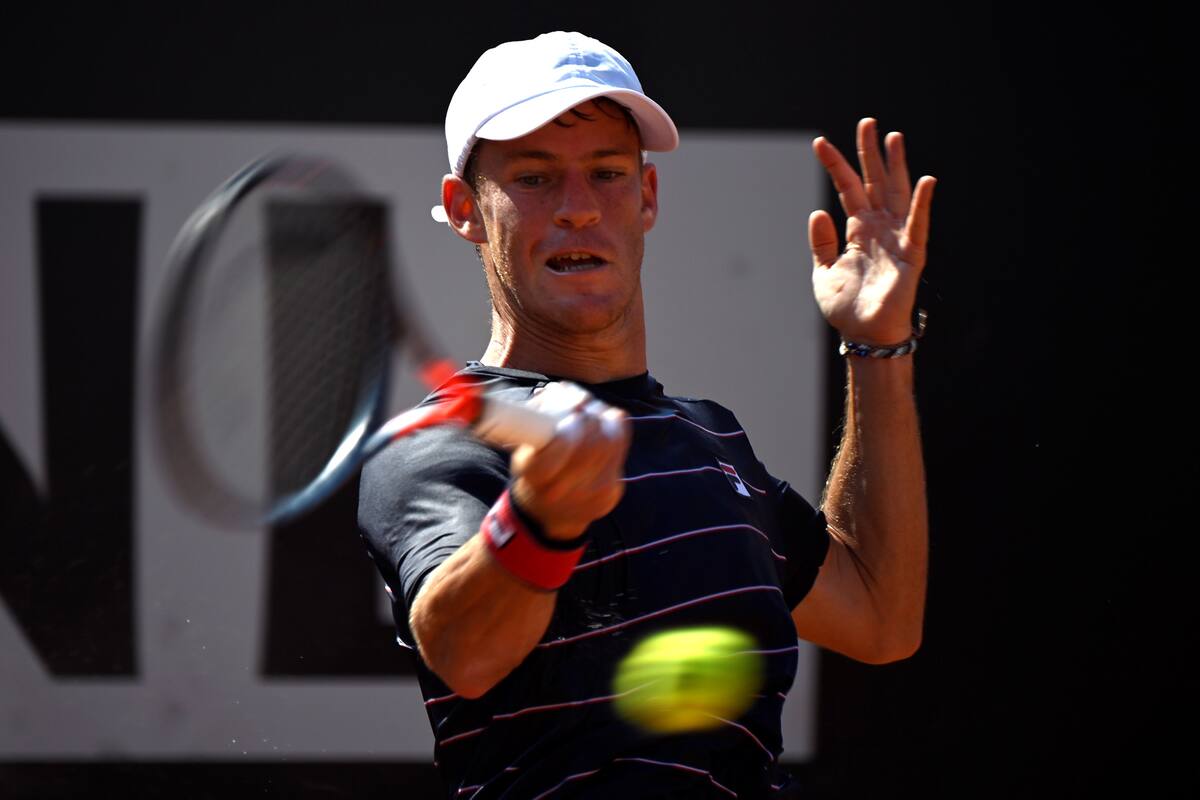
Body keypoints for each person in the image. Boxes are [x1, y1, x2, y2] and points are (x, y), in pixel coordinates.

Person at [357, 30, 932, 798]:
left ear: (647, 196)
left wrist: (878, 347)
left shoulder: (711, 437)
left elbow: (882, 618)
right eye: (534, 178)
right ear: (465, 210)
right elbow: (463, 654)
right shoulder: (435, 449)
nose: (579, 210)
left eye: (607, 174)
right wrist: (540, 519)